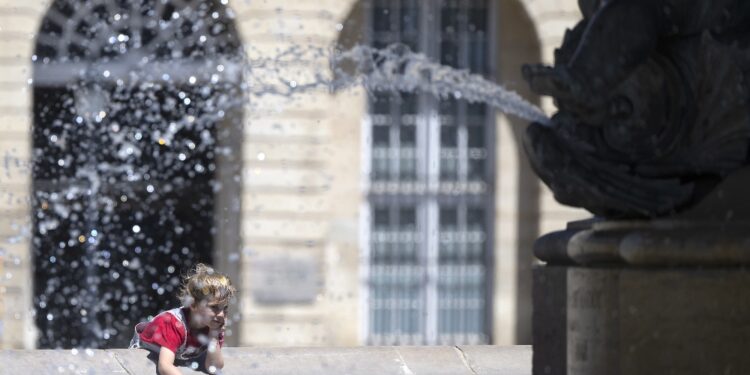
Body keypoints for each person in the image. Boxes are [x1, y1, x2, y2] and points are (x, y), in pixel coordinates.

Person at [130, 263, 236, 374]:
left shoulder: (213, 325)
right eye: (214, 307)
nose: (221, 314)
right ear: (193, 305)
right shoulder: (173, 323)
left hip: (177, 355)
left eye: (224, 308)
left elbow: (214, 367)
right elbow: (164, 367)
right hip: (142, 356)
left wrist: (214, 335)